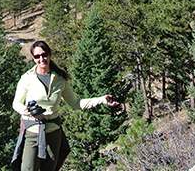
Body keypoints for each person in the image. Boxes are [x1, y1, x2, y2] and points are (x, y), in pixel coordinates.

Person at [10, 40, 118, 171]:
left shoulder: (60, 79)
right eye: (37, 56)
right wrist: (28, 111)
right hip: (32, 131)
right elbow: (16, 104)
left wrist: (102, 100)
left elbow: (75, 103)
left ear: (49, 55)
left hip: (53, 132)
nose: (41, 59)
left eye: (44, 55)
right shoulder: (26, 78)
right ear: (33, 58)